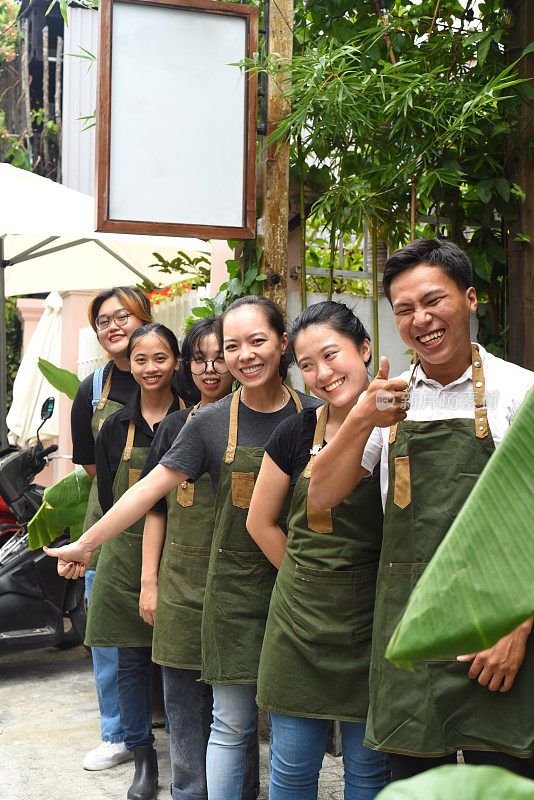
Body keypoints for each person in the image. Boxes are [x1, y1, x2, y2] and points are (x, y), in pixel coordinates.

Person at [45, 296, 321, 800]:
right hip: (234, 594)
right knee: (232, 725)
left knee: (291, 730)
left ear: (282, 343)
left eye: (257, 341)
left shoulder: (318, 416)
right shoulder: (209, 424)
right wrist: (87, 542)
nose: (244, 356)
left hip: (300, 590)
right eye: (233, 345)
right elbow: (148, 492)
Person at [307, 239, 534, 780]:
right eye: (404, 309)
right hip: (410, 628)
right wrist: (363, 417)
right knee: (412, 781)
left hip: (494, 633)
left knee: (500, 780)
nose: (421, 320)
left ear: (471, 298)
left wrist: (518, 629)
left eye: (434, 301)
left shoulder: (516, 391)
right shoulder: (389, 398)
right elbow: (320, 497)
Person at [246, 301, 392, 800]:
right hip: (297, 629)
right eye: (307, 365)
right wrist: (306, 580)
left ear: (365, 349)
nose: (322, 374)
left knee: (370, 774)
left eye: (331, 356)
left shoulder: (401, 427)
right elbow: (259, 521)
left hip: (375, 622)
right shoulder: (295, 431)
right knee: (291, 773)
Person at [85, 322, 184, 800]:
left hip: (183, 554)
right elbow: (108, 497)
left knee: (183, 663)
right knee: (129, 661)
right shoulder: (114, 427)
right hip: (125, 558)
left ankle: (191, 755)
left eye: (160, 358)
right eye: (141, 360)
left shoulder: (196, 417)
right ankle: (143, 758)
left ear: (177, 362)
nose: (150, 368)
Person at [138, 318, 234, 800]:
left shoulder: (270, 422)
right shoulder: (176, 425)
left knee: (233, 702)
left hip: (236, 583)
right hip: (178, 583)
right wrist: (149, 583)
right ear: (187, 365)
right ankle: (189, 791)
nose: (210, 367)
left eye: (220, 356)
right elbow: (154, 510)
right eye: (199, 358)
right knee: (181, 699)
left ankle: (236, 789)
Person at [71, 287, 154, 771]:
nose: (114, 325)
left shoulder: (177, 374)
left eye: (124, 315)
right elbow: (92, 467)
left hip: (177, 517)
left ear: (145, 317)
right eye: (104, 320)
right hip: (106, 519)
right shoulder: (93, 387)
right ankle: (117, 733)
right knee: (106, 631)